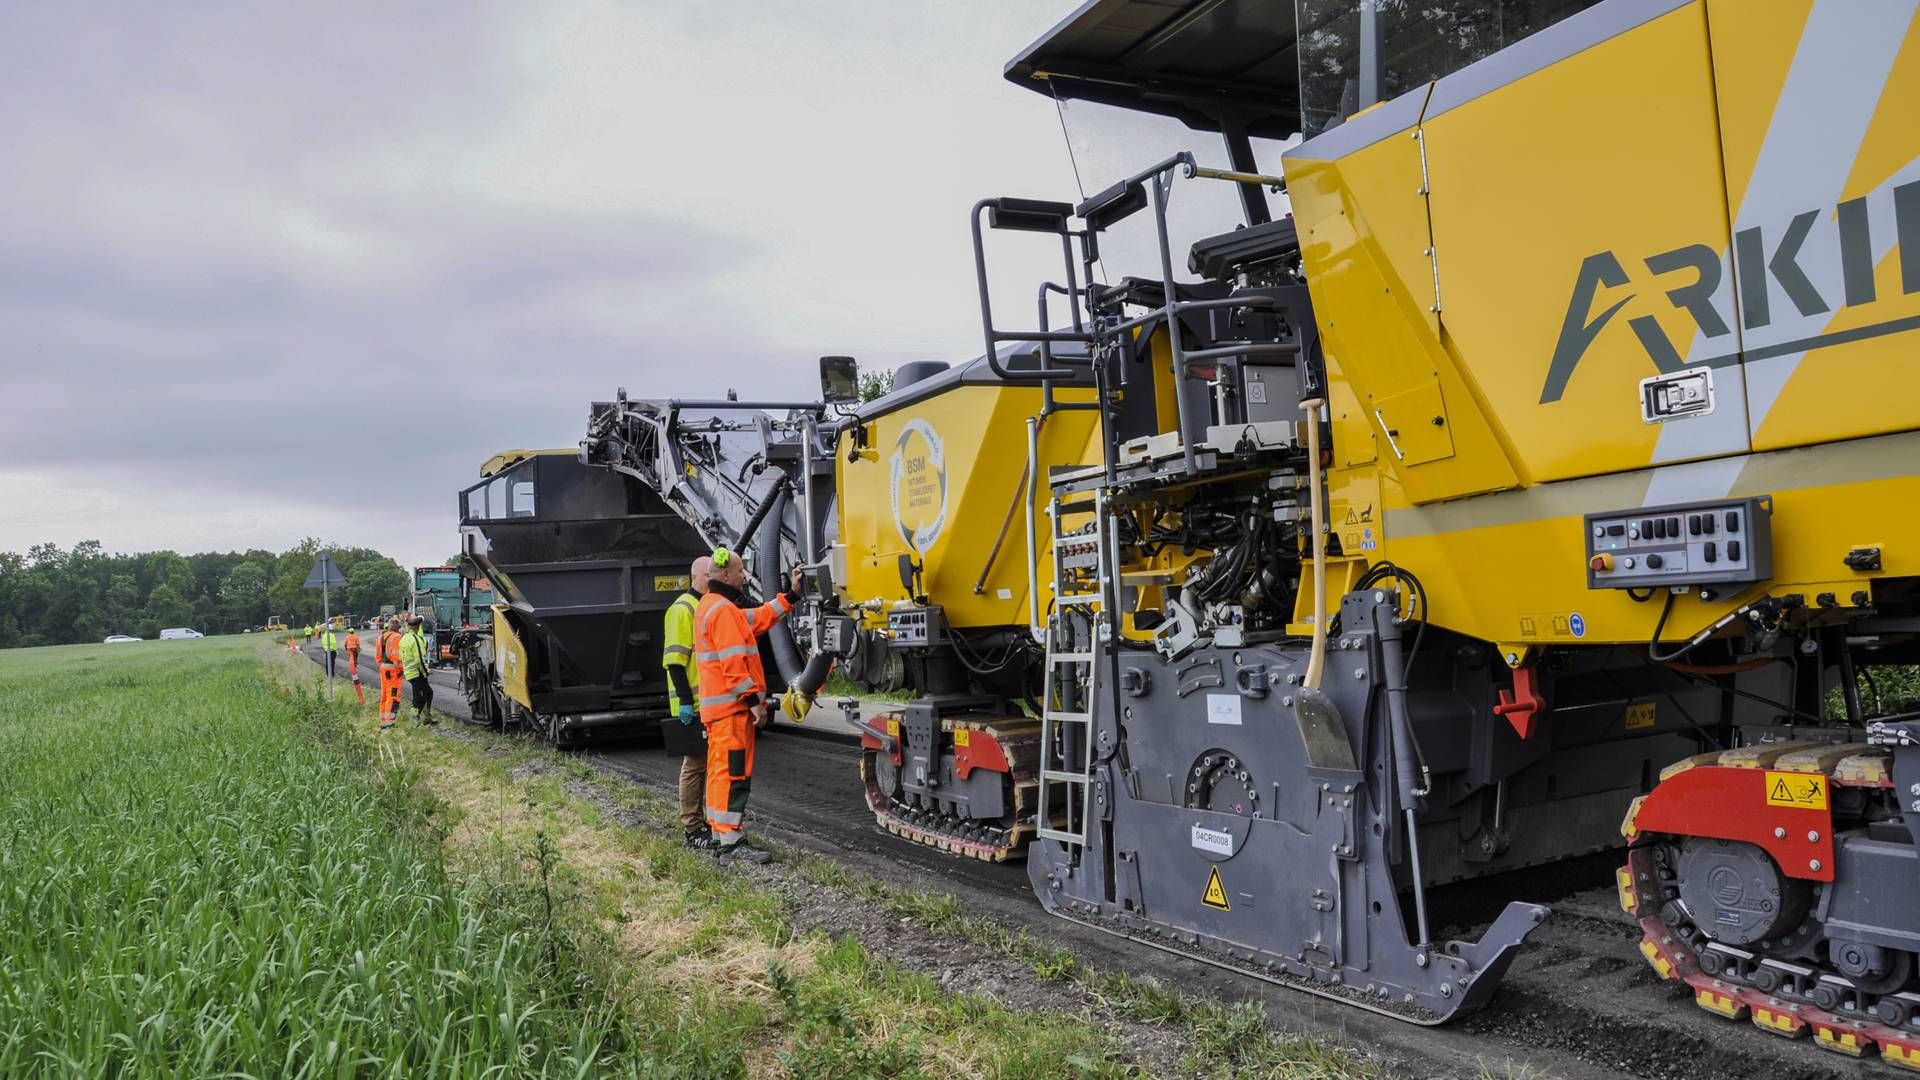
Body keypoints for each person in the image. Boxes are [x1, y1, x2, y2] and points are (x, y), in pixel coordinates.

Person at [692, 546, 802, 862]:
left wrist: (791, 597)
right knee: (734, 773)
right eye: (741, 572)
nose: (744, 576)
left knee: (719, 771)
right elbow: (733, 664)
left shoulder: (712, 606)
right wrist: (754, 701)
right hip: (732, 711)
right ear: (725, 574)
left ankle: (718, 834)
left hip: (719, 712)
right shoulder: (723, 611)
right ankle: (731, 842)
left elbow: (760, 616)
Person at [663, 556, 712, 847]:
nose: (712, 580)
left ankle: (699, 821)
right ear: (696, 577)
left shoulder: (700, 607)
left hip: (704, 703)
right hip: (691, 705)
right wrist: (684, 701)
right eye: (709, 575)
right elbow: (675, 661)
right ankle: (692, 827)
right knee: (694, 765)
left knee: (703, 765)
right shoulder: (683, 609)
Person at [399, 614, 437, 724]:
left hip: (410, 672)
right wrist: (426, 672)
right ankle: (414, 719)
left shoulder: (405, 638)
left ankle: (426, 717)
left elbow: (402, 656)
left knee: (427, 693)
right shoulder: (415, 639)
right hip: (417, 672)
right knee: (420, 698)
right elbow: (419, 659)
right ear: (418, 626)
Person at [375, 616, 404, 733]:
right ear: (397, 627)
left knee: (384, 696)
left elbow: (377, 657)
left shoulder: (380, 637)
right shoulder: (397, 637)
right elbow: (396, 657)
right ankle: (390, 724)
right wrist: (401, 669)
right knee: (393, 696)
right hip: (393, 671)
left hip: (383, 668)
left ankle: (383, 721)